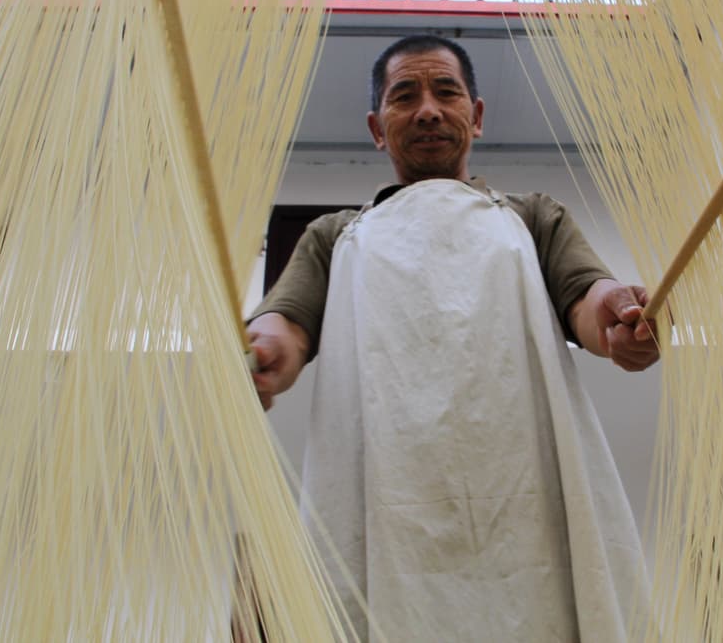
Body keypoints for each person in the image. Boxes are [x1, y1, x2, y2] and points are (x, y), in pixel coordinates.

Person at [247, 35, 658, 641]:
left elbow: (589, 301)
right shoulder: (333, 236)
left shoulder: (533, 217)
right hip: (381, 489)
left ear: (477, 115)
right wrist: (260, 354)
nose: (428, 110)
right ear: (377, 128)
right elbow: (285, 325)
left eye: (446, 91)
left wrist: (621, 318)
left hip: (523, 493)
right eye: (404, 96)